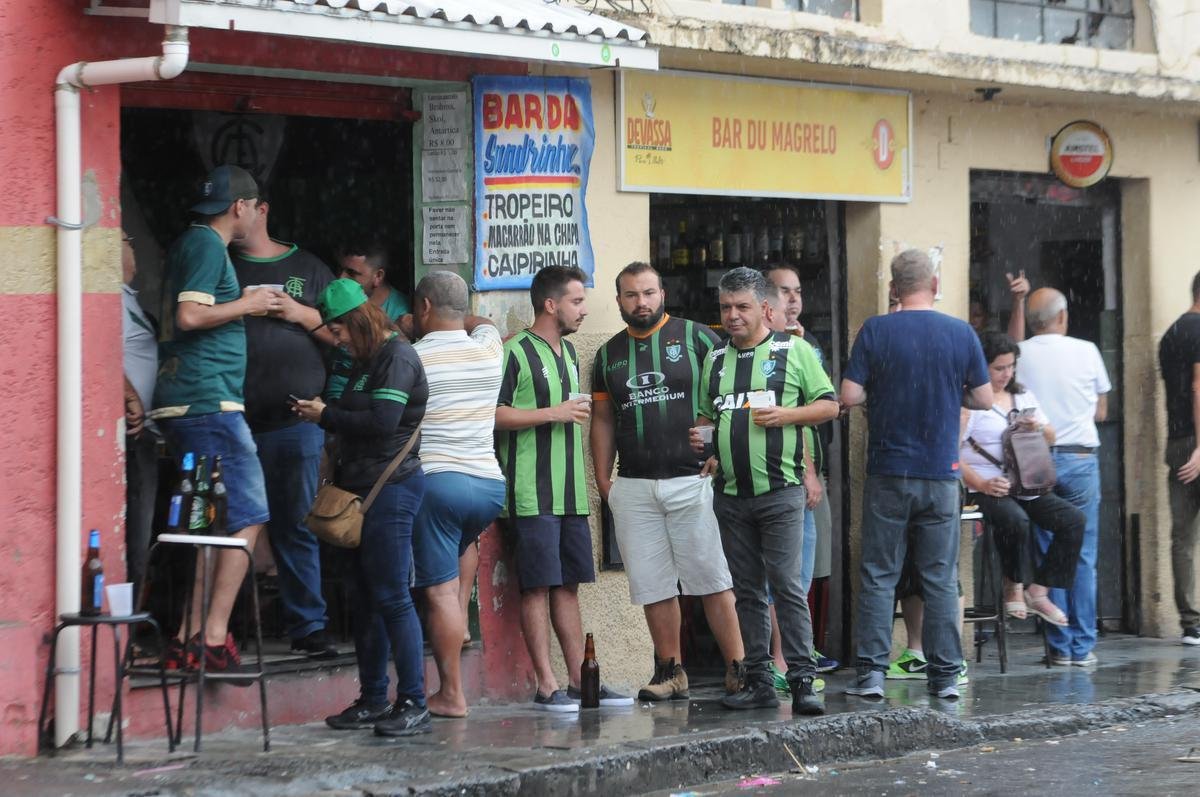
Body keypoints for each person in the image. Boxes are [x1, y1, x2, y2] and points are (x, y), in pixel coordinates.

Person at [840, 249, 992, 700]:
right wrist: (951, 390)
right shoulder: (960, 333)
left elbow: (849, 395)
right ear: (936, 285)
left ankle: (871, 672)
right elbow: (985, 399)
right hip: (941, 473)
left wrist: (881, 390)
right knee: (940, 576)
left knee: (879, 573)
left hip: (889, 469)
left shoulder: (876, 330)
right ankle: (945, 675)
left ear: (893, 288)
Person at [590, 262, 744, 702]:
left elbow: (726, 392)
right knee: (652, 584)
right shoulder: (608, 354)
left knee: (712, 578)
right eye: (632, 295)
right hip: (634, 485)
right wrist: (604, 479)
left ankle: (738, 668)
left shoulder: (697, 336)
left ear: (663, 294)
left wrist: (718, 450)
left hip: (693, 480)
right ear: (619, 301)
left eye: (650, 293)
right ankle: (669, 672)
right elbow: (602, 419)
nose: (642, 302)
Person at [691, 266, 839, 715]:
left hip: (782, 491)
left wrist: (787, 417)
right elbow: (705, 418)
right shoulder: (714, 361)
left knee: (788, 587)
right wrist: (707, 444)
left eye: (742, 307)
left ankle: (802, 680)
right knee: (748, 591)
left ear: (765, 309)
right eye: (726, 308)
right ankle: (758, 680)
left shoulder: (794, 350)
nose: (733, 316)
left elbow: (831, 406)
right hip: (731, 495)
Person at [150, 164, 280, 675]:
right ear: (240, 207)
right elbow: (190, 315)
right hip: (209, 403)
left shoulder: (188, 243)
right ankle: (214, 634)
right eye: (252, 208)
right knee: (248, 516)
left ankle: (187, 636)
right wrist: (248, 303)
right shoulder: (207, 244)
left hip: (186, 401)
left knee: (210, 524)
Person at [294, 279, 430, 737]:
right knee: (363, 598)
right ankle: (373, 698)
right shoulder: (358, 359)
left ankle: (413, 700)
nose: (338, 342)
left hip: (391, 488)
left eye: (339, 332)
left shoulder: (398, 357)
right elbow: (341, 406)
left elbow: (381, 421)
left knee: (392, 595)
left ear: (358, 321)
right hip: (354, 488)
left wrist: (324, 417)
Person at [495, 265, 632, 712]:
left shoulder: (571, 355)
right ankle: (545, 685)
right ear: (551, 304)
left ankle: (580, 682)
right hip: (529, 492)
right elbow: (490, 415)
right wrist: (549, 413)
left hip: (571, 492)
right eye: (576, 301)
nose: (584, 310)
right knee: (536, 586)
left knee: (568, 586)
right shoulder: (512, 352)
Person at [231, 198, 338, 660]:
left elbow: (346, 334)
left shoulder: (308, 267)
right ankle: (221, 631)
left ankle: (308, 625)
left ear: (263, 209)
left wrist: (299, 313)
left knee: (297, 524)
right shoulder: (220, 263)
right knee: (230, 526)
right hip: (234, 420)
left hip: (297, 423)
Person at [403, 271, 506, 718]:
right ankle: (461, 628)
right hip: (488, 486)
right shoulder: (488, 349)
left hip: (438, 482)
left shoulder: (410, 358)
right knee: (461, 548)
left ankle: (451, 693)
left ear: (423, 307)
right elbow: (484, 323)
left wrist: (407, 326)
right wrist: (460, 313)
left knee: (439, 592)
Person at [960, 331, 1084, 629]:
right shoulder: (972, 400)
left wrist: (1036, 427)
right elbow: (952, 453)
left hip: (1025, 484)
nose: (1006, 374)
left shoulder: (1023, 394)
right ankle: (1012, 584)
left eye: (1011, 366)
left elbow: (1052, 435)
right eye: (999, 368)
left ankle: (1038, 591)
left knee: (1073, 520)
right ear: (982, 367)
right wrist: (982, 483)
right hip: (986, 487)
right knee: (1016, 521)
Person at [1018, 288, 1111, 666]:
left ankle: (1058, 645)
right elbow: (1101, 411)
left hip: (1039, 459)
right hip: (1080, 456)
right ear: (1062, 317)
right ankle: (1082, 645)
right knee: (1083, 554)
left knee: (1048, 549)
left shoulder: (1020, 353)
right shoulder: (1087, 350)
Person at [762, 265, 840, 682]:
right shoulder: (768, 351)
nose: (792, 300)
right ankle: (781, 658)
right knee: (784, 574)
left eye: (797, 292)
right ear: (766, 303)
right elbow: (793, 421)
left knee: (803, 572)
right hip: (785, 475)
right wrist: (808, 471)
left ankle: (796, 651)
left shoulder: (805, 347)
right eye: (783, 292)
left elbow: (820, 411)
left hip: (808, 474)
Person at [1160, 273, 1200, 646]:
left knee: (1183, 535)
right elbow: (1198, 386)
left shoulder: (1172, 333)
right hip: (1197, 441)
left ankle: (1190, 621)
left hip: (1176, 440)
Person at [121, 231, 158, 603]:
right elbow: (97, 347)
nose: (130, 245)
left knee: (141, 532)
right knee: (134, 531)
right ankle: (126, 628)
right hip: (131, 433)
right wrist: (129, 393)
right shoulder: (110, 298)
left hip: (145, 433)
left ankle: (132, 623)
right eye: (124, 239)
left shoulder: (128, 300)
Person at [326, 242, 410, 401]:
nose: (341, 278)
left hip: (379, 393)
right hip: (337, 390)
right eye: (340, 270)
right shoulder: (335, 299)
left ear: (378, 276)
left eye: (351, 273)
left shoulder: (401, 310)